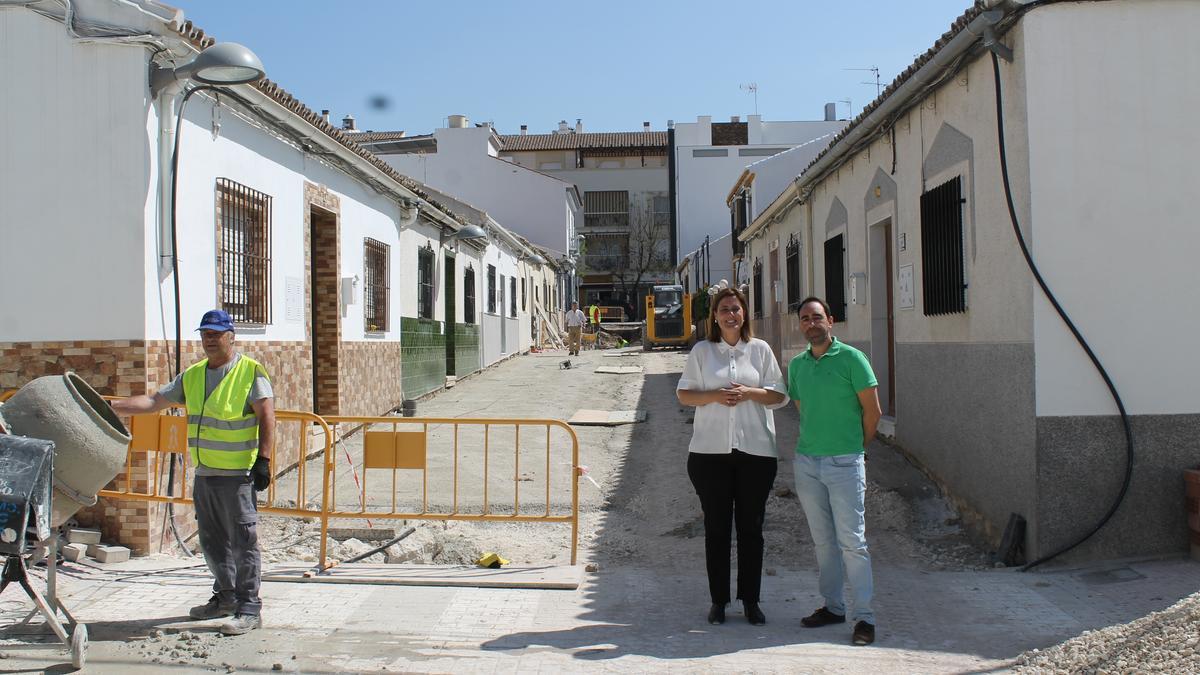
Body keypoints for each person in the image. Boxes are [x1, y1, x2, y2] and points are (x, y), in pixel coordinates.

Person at [110, 309, 274, 636]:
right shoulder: (193, 375)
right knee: (213, 543)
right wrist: (112, 408)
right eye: (205, 335)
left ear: (231, 336)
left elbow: (268, 416)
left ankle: (249, 608)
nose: (209, 340)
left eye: (216, 334)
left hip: (238, 475)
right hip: (206, 475)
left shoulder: (250, 372)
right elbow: (153, 402)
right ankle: (225, 598)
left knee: (243, 542)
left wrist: (264, 460)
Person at [676, 286, 787, 626]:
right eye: (724, 308)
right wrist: (714, 395)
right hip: (710, 455)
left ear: (744, 314)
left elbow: (779, 396)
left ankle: (751, 601)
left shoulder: (761, 350)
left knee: (752, 529)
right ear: (715, 315)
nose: (730, 314)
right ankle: (719, 601)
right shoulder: (702, 352)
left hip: (756, 453)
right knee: (717, 529)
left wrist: (749, 393)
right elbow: (684, 394)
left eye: (736, 309)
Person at [787, 297, 882, 646]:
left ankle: (865, 618)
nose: (811, 323)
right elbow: (802, 408)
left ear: (830, 320)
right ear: (800, 325)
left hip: (845, 462)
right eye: (805, 319)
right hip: (808, 463)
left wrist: (856, 449)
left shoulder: (853, 359)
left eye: (817, 317)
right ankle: (833, 606)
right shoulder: (797, 365)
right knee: (823, 542)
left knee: (852, 542)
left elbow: (872, 412)